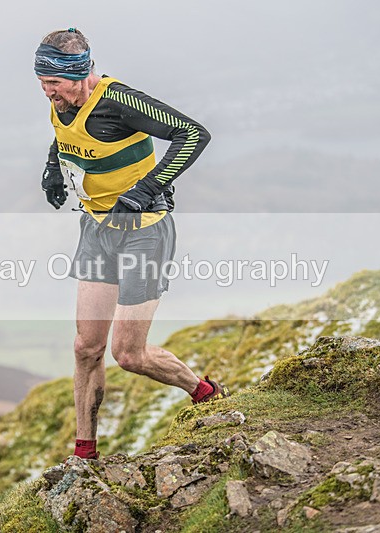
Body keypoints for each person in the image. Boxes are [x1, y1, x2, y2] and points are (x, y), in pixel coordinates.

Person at [35, 28, 225, 460]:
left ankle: (206, 392)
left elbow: (194, 134)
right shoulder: (61, 102)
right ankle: (85, 454)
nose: (47, 93)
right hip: (96, 231)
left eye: (54, 84)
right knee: (87, 348)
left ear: (80, 74)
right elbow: (65, 135)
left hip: (144, 233)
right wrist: (51, 168)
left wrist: (147, 187)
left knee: (128, 353)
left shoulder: (119, 102)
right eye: (42, 83)